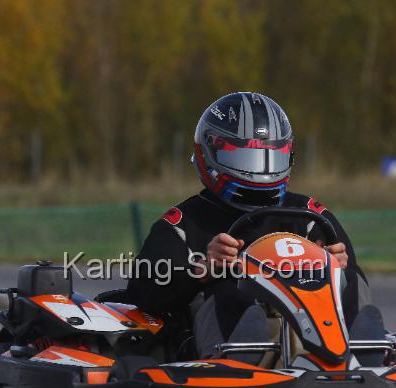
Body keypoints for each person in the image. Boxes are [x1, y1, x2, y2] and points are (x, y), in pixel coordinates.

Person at [123, 92, 371, 363]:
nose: (260, 172)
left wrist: (337, 267)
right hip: (218, 355)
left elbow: (346, 275)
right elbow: (141, 293)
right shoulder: (184, 224)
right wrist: (202, 270)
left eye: (270, 158)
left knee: (351, 278)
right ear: (208, 153)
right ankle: (241, 361)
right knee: (229, 288)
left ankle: (367, 356)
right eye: (245, 158)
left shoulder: (310, 218)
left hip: (315, 346)